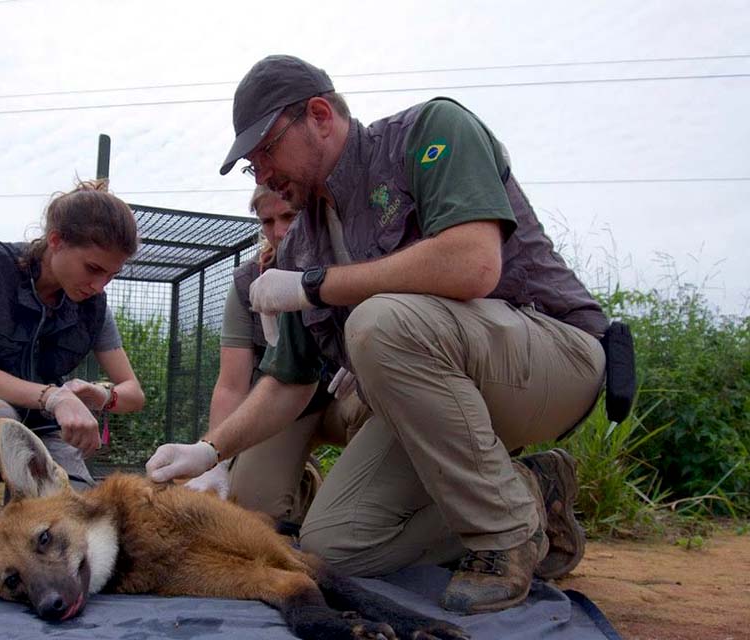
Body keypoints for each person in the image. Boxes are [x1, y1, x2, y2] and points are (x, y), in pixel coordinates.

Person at [147, 55, 607, 615]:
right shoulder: (299, 244)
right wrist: (210, 450)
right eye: (251, 164)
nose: (262, 172)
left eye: (266, 149)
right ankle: (533, 495)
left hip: (552, 358)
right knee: (335, 544)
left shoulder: (428, 133)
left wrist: (315, 287)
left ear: (319, 115)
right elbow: (287, 384)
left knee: (379, 321)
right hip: (446, 394)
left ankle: (504, 536)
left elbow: (473, 264)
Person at [0, 180, 146, 532]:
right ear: (55, 241)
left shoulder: (95, 307)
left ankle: (26, 527)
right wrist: (54, 397)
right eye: (93, 268)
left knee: (73, 518)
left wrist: (101, 395)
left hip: (42, 429)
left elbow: (134, 393)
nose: (99, 286)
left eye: (111, 275)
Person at [183, 185, 369, 534]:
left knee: (374, 401)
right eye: (268, 221)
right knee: (251, 507)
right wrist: (212, 459)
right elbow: (231, 384)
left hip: (344, 402)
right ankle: (307, 485)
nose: (279, 231)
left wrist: (363, 353)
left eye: (289, 216)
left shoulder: (352, 260)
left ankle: (362, 510)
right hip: (282, 410)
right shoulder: (247, 284)